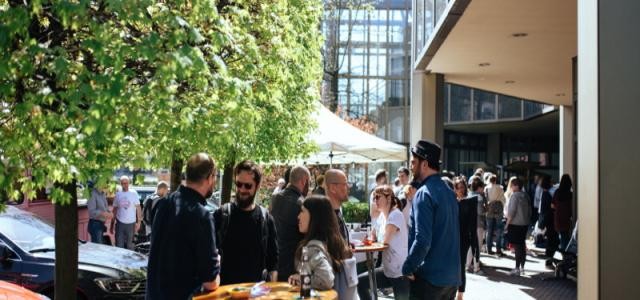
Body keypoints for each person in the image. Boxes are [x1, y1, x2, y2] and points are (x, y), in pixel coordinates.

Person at [146, 153, 220, 299]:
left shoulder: (163, 204)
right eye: (215, 177)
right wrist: (217, 263)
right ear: (210, 177)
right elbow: (210, 283)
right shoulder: (202, 216)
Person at [402, 140, 460, 300]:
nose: (411, 166)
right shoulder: (449, 192)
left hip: (429, 279)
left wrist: (407, 267)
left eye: (413, 162)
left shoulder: (424, 193)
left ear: (425, 164)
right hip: (450, 278)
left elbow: (422, 241)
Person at [214, 160, 278, 284]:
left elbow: (273, 263)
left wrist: (271, 292)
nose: (242, 189)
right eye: (239, 184)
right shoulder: (222, 216)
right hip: (225, 294)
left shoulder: (266, 220)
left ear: (258, 186)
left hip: (256, 293)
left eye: (248, 186)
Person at [357, 185, 409, 300]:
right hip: (387, 270)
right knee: (360, 282)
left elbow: (385, 241)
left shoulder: (396, 214)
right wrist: (369, 239)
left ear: (389, 198)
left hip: (400, 272)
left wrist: (370, 241)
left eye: (378, 197)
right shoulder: (381, 216)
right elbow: (372, 236)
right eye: (374, 197)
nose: (375, 200)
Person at [288, 196, 351, 291]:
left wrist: (302, 279)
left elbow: (326, 280)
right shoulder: (333, 242)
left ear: (314, 216)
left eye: (302, 211)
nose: (298, 216)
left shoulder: (313, 248)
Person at [270, 165, 311, 281]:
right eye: (309, 182)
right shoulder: (302, 204)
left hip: (275, 263)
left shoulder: (275, 198)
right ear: (304, 181)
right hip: (293, 267)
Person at [453, 177, 477, 300]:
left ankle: (460, 293)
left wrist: (474, 242)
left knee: (461, 265)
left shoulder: (469, 202)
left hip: (464, 238)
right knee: (452, 264)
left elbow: (473, 223)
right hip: (452, 238)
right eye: (457, 187)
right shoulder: (452, 202)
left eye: (462, 187)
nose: (460, 190)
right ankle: (452, 289)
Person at [505, 178, 532, 276]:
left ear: (516, 186)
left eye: (512, 185)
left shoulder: (514, 196)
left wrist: (507, 224)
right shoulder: (526, 195)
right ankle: (522, 267)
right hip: (524, 224)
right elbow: (530, 211)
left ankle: (516, 268)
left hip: (515, 224)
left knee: (517, 246)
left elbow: (511, 211)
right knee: (522, 244)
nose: (511, 187)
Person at [110, 176, 142, 250]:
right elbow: (114, 210)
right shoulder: (118, 194)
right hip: (120, 223)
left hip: (131, 223)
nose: (125, 185)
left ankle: (130, 261)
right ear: (120, 184)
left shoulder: (133, 193)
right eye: (123, 183)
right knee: (119, 245)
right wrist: (112, 225)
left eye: (126, 183)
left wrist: (139, 222)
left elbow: (138, 208)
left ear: (129, 183)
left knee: (130, 245)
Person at [324, 169, 351, 243]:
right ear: (333, 188)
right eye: (345, 184)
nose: (349, 187)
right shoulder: (326, 217)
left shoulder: (337, 212)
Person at [538, 176, 559, 259]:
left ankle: (549, 254)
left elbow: (543, 209)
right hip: (551, 218)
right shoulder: (551, 192)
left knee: (551, 237)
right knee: (552, 237)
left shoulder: (545, 193)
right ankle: (549, 255)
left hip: (548, 218)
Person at [468, 176, 486, 272]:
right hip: (478, 224)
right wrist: (485, 210)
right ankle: (476, 268)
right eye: (482, 187)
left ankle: (467, 266)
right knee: (477, 247)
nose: (483, 189)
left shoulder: (469, 195)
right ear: (479, 188)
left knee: (470, 246)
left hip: (469, 224)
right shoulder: (479, 198)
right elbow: (480, 211)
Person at [485, 175, 506, 256]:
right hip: (498, 207)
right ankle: (498, 249)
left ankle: (489, 249)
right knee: (499, 229)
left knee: (489, 229)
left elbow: (485, 198)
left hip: (489, 207)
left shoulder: (486, 188)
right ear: (495, 180)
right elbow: (503, 199)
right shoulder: (500, 188)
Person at [552, 174, 573, 250]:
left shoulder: (557, 192)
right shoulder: (570, 194)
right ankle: (566, 253)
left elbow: (552, 205)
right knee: (565, 236)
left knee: (562, 236)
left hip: (558, 217)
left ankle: (564, 252)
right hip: (567, 218)